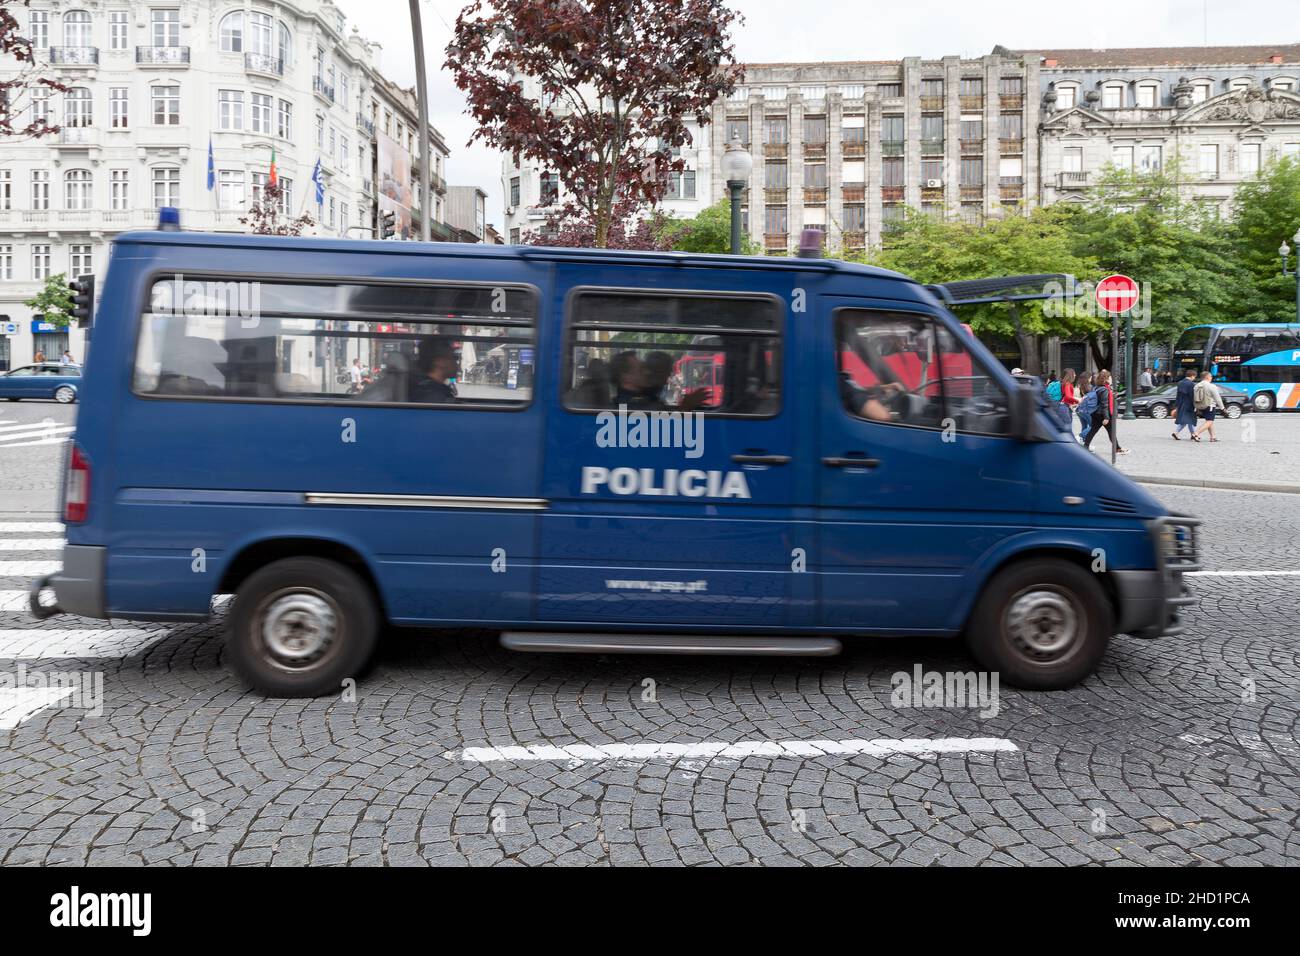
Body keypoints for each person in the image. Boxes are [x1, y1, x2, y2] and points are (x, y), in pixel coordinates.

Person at [1083, 369, 1128, 455]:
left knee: (1093, 430)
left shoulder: (1096, 387)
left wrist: (1112, 395)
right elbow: (1104, 404)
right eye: (1110, 377)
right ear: (1106, 379)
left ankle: (1085, 446)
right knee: (1111, 431)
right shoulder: (1104, 390)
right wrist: (1106, 417)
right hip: (1102, 414)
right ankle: (1117, 449)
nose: (1111, 379)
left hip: (1095, 413)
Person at [409, 336, 458, 403]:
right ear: (440, 362)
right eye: (453, 357)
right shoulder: (435, 396)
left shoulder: (427, 389)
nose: (456, 362)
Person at [1192, 371, 1226, 443]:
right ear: (1207, 377)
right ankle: (1196, 434)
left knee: (1209, 421)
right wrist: (1222, 408)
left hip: (1199, 405)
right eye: (1211, 376)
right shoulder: (1211, 386)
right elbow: (1217, 398)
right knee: (1210, 421)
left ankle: (1213, 437)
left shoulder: (1196, 385)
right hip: (1209, 405)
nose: (1211, 378)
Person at [1171, 367, 1198, 441]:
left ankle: (1192, 434)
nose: (1194, 378)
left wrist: (1176, 405)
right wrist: (1195, 405)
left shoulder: (1180, 382)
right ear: (1192, 376)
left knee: (1187, 420)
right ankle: (1178, 433)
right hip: (1189, 404)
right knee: (1189, 420)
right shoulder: (1191, 384)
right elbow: (1192, 396)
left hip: (1181, 403)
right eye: (1194, 377)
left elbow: (1178, 395)